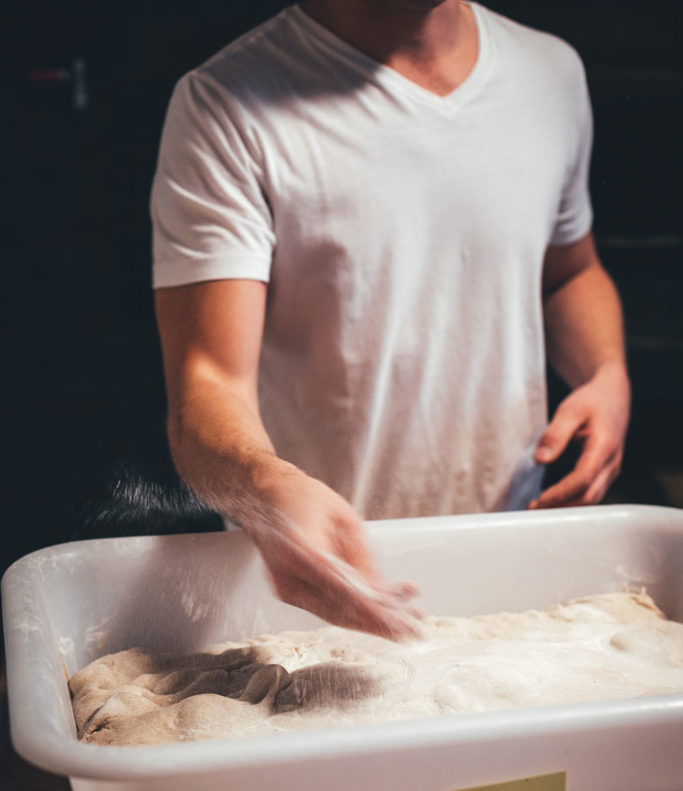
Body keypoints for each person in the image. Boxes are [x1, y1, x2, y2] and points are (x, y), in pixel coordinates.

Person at [151, 0, 630, 639]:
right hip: (315, 594)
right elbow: (207, 383)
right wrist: (262, 491)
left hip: (516, 571)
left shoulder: (550, 71)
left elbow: (569, 270)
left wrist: (608, 372)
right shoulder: (224, 104)